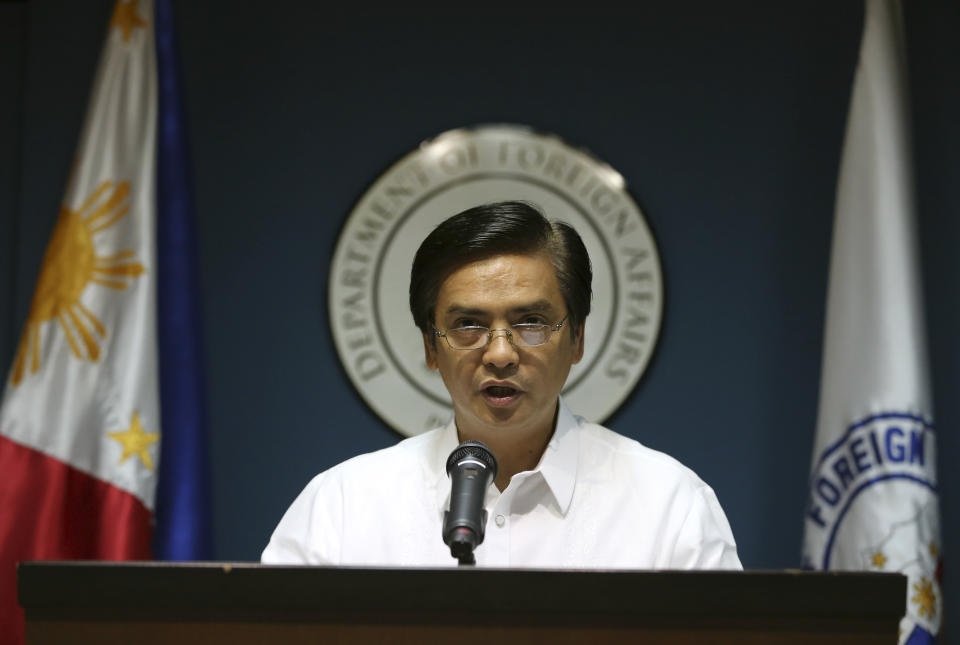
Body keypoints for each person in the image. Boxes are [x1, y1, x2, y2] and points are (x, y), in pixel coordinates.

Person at [262, 201, 741, 569]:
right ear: (431, 347)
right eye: (468, 324)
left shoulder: (669, 503)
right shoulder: (343, 506)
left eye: (531, 322)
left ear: (576, 339)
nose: (500, 354)